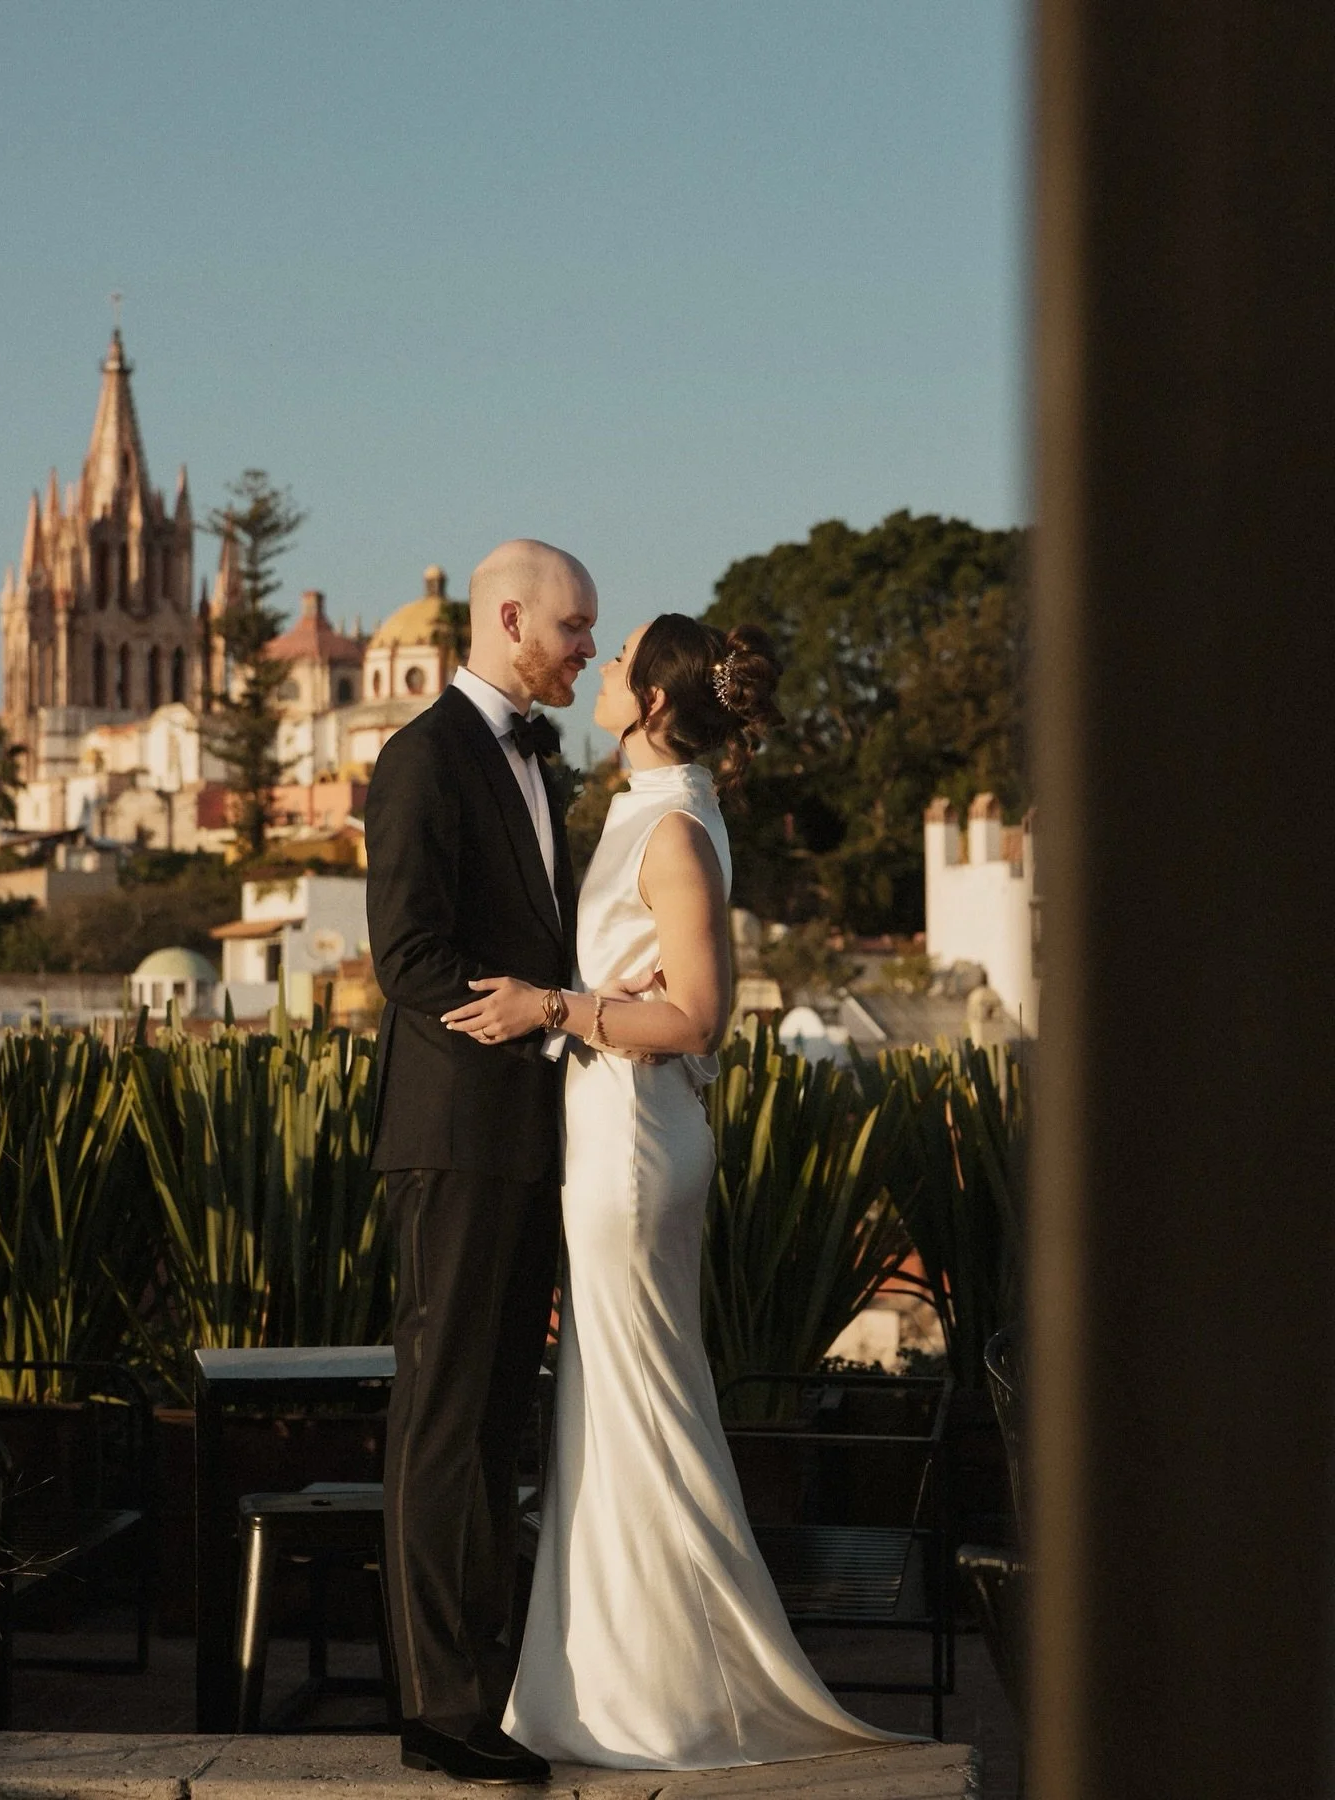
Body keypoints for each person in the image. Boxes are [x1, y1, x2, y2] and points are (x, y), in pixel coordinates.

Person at [442, 614, 903, 1770]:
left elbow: (698, 1014)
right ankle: (618, 1684)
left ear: (652, 700)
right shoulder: (653, 806)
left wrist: (550, 1007)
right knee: (616, 1408)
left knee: (639, 1411)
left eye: (621, 654)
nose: (598, 665)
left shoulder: (677, 831)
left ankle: (659, 1698)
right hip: (615, 1131)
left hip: (635, 1146)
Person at [363, 538, 597, 1786]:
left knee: (499, 1415)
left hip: (525, 1138)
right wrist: (527, 1013)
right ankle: (437, 1710)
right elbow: (405, 956)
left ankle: (489, 1690)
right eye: (575, 629)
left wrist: (570, 1010)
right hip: (455, 1137)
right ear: (510, 619)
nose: (589, 651)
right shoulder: (421, 760)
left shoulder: (539, 765)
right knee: (445, 1421)